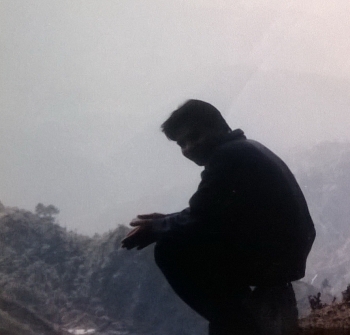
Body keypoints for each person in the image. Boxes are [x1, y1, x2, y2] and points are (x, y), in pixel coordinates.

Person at [122, 99, 316, 335]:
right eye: (182, 144)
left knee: (170, 249)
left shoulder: (226, 158)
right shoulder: (243, 149)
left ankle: (238, 324)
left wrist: (159, 227)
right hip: (285, 251)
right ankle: (247, 314)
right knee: (181, 237)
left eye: (195, 137)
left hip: (274, 256)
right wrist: (166, 221)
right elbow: (210, 211)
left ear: (220, 127)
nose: (189, 148)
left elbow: (202, 217)